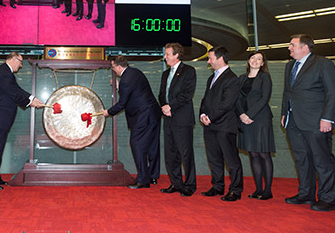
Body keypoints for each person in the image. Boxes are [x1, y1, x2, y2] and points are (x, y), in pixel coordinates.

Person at [282, 34, 335, 212]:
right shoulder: (290, 66)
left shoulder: (323, 63)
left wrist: (327, 118)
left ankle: (327, 199)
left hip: (317, 121)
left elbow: (332, 92)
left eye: (292, 45)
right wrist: (285, 113)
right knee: (302, 160)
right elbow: (287, 92)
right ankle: (305, 194)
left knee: (322, 161)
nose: (289, 48)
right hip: (294, 121)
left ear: (305, 47)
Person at [0, 52, 43, 190]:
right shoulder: (4, 73)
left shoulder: (6, 73)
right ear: (13, 59)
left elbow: (17, 90)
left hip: (0, 119)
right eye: (20, 62)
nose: (21, 65)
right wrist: (30, 102)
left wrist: (32, 98)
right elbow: (14, 93)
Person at [100, 56, 162, 189]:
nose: (114, 70)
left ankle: (142, 180)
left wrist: (108, 112)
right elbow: (134, 92)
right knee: (152, 145)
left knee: (137, 144)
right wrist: (119, 86)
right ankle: (152, 176)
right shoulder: (134, 72)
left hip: (143, 116)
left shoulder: (126, 80)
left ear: (119, 67)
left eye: (113, 68)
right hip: (153, 113)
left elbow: (123, 103)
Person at [200, 46, 243, 202]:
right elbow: (205, 99)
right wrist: (203, 114)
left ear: (220, 58)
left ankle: (236, 190)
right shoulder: (212, 78)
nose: (209, 61)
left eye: (211, 58)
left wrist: (210, 117)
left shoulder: (232, 78)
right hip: (210, 124)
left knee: (231, 159)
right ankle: (218, 186)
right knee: (214, 158)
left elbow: (227, 104)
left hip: (225, 126)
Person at [157, 43, 197, 197]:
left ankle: (190, 185)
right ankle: (176, 183)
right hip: (168, 118)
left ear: (176, 55)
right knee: (171, 153)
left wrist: (170, 106)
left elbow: (187, 94)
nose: (165, 56)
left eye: (167, 54)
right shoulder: (165, 74)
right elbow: (161, 94)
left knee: (185, 153)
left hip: (182, 118)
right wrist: (164, 106)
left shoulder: (188, 71)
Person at [236, 51, 275, 200]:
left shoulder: (265, 77)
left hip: (260, 118)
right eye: (253, 58)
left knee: (263, 153)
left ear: (263, 63)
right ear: (248, 61)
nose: (255, 61)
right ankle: (258, 189)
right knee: (252, 153)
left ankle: (268, 190)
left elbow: (264, 98)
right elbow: (237, 98)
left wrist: (249, 115)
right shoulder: (241, 78)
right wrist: (241, 114)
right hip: (244, 118)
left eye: (259, 59)